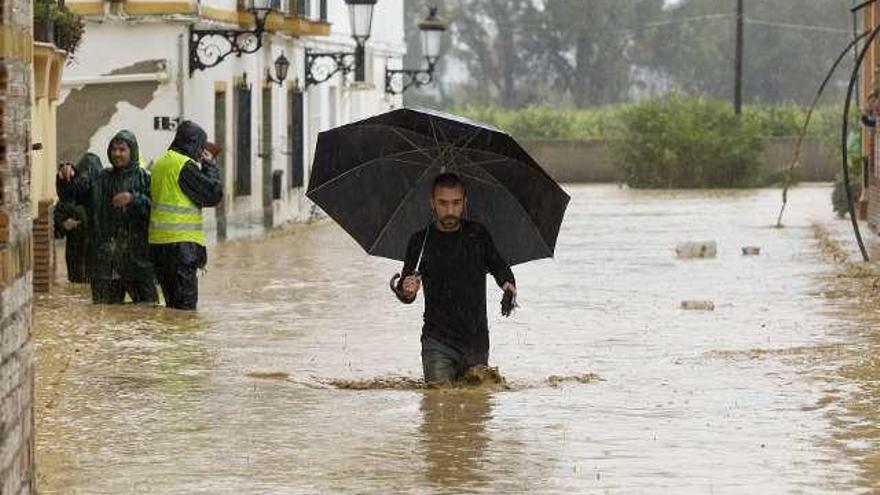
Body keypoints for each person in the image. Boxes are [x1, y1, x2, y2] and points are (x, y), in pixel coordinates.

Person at [393, 172, 517, 384]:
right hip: (437, 342)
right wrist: (407, 290)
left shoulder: (477, 235)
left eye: (456, 203)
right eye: (443, 203)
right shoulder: (420, 241)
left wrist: (508, 287)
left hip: (476, 345)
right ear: (432, 203)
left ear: (464, 202)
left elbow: (499, 267)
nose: (450, 210)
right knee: (438, 406)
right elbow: (406, 293)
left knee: (475, 413)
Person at [58, 131, 158, 304]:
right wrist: (67, 176)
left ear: (131, 152)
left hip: (138, 261)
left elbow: (155, 210)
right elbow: (72, 195)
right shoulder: (99, 179)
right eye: (114, 149)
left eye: (122, 150)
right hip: (104, 263)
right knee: (104, 315)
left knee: (148, 310)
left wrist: (133, 199)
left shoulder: (145, 178)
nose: (117, 154)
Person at [149, 121, 222, 310]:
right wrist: (210, 166)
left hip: (159, 246)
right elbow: (213, 194)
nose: (200, 153)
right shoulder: (183, 166)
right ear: (193, 144)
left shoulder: (160, 162)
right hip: (181, 248)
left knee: (172, 308)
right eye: (200, 147)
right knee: (185, 311)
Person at [54, 152, 103, 283]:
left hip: (99, 270)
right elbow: (54, 230)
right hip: (77, 269)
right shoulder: (70, 201)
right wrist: (64, 226)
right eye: (85, 175)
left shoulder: (105, 200)